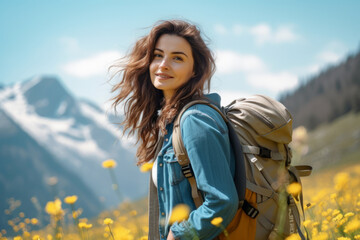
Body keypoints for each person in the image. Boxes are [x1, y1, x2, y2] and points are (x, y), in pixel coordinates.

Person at [111, 19, 239, 240]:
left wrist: (178, 235)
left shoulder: (195, 120)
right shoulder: (172, 121)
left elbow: (222, 202)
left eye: (177, 58)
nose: (163, 65)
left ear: (194, 70)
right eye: (158, 55)